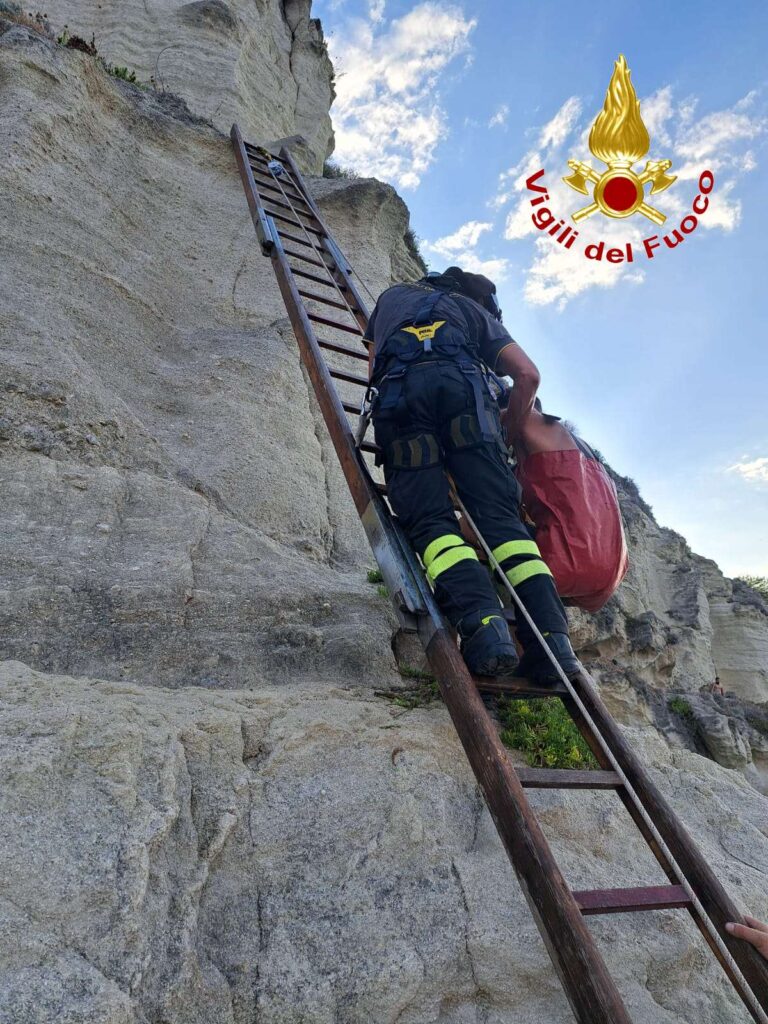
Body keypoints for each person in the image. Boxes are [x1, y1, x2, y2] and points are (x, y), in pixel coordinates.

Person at [366, 266, 579, 682]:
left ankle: (485, 632)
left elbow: (374, 367)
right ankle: (554, 643)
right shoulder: (470, 311)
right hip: (468, 405)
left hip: (400, 403)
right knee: (502, 525)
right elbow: (528, 375)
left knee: (432, 525)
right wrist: (512, 430)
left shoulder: (390, 300)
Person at [511, 398, 628, 612]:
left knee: (474, 529)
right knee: (528, 611)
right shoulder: (583, 455)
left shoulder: (540, 427)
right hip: (610, 573)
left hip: (568, 557)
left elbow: (516, 413)